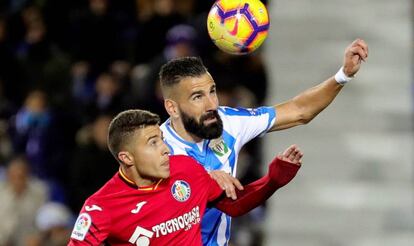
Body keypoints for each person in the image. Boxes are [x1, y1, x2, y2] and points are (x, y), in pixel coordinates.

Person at [158, 39, 368, 245]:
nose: (211, 104)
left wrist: (343, 75)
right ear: (172, 108)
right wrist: (202, 179)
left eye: (212, 91)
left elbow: (299, 111)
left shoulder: (230, 122)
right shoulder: (154, 150)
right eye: (197, 97)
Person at [68, 109, 302, 245]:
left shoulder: (186, 169)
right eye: (153, 143)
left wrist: (273, 180)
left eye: (161, 138)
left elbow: (234, 203)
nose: (165, 148)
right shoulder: (100, 208)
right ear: (127, 157)